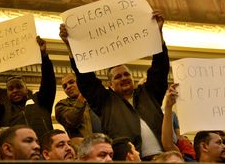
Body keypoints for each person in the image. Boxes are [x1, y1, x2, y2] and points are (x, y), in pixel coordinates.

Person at [59, 11, 169, 160]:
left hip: (163, 158)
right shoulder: (105, 102)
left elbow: (160, 69)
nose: (124, 78)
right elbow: (86, 79)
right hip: (128, 160)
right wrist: (72, 45)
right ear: (110, 84)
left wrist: (157, 33)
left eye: (126, 74)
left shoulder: (148, 93)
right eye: (118, 77)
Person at [55, 73, 101, 138]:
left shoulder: (96, 98)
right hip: (85, 146)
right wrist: (81, 98)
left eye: (71, 82)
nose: (68, 87)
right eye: (65, 86)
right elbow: (72, 121)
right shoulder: (61, 105)